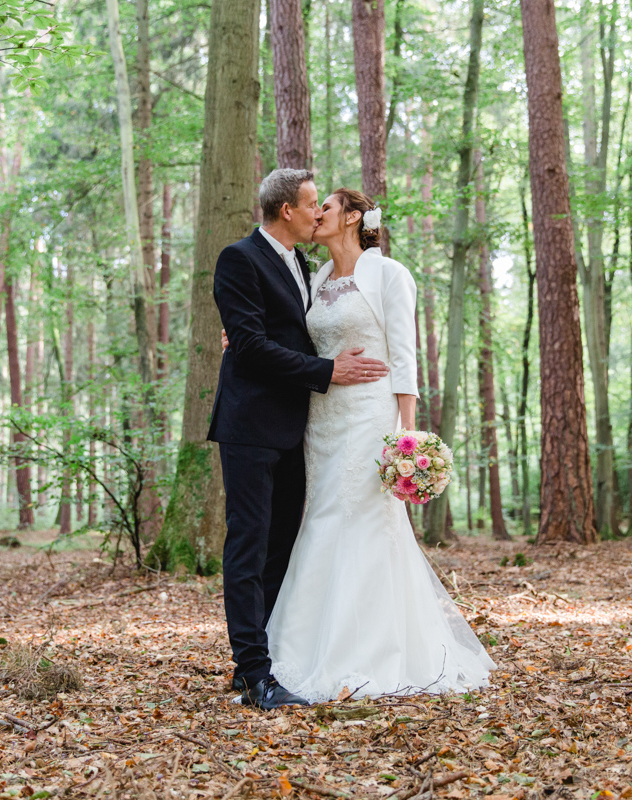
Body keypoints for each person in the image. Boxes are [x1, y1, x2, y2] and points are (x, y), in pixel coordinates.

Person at [264, 188, 496, 702]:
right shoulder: (315, 277)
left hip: (371, 417)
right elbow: (288, 337)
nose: (316, 214)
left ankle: (372, 651)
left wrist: (407, 439)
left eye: (326, 206)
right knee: (321, 518)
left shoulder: (389, 274)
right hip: (321, 419)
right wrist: (239, 336)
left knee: (365, 522)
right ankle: (303, 649)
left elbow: (404, 357)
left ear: (351, 217)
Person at [208, 169, 390, 710]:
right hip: (249, 425)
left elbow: (282, 331)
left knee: (280, 546)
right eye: (312, 203)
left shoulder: (303, 265)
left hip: (296, 428)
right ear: (287, 209)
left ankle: (267, 658)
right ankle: (253, 674)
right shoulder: (238, 258)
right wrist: (326, 370)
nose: (317, 212)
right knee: (248, 545)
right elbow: (251, 345)